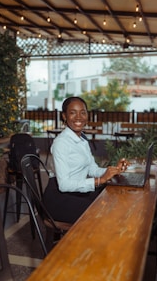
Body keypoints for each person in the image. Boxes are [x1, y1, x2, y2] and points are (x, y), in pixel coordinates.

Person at [43, 96, 128, 224]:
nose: (79, 117)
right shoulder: (61, 143)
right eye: (73, 113)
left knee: (112, 200)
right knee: (104, 212)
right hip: (59, 199)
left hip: (76, 192)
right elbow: (64, 185)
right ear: (64, 116)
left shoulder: (82, 139)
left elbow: (92, 169)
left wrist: (114, 170)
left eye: (82, 112)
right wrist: (100, 180)